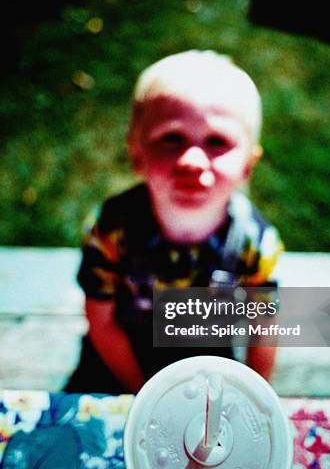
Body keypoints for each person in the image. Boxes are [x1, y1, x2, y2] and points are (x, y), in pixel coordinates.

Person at [65, 50, 283, 394]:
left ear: (247, 165)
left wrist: (254, 393)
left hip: (206, 359)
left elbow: (264, 326)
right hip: (120, 362)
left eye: (216, 141)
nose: (193, 160)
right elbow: (101, 320)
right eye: (171, 138)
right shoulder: (112, 232)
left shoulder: (254, 241)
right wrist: (140, 390)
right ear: (138, 154)